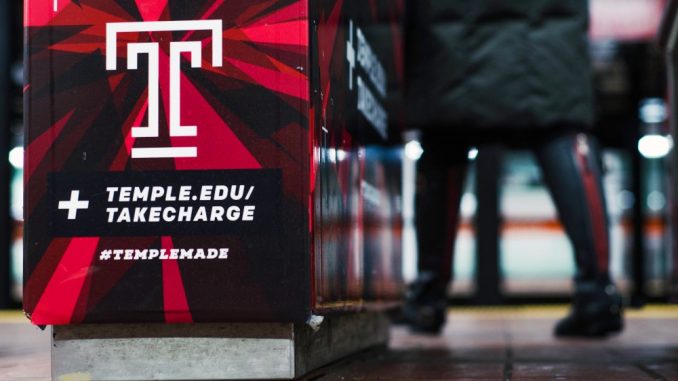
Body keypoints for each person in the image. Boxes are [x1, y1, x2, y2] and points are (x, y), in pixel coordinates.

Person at [402, 0, 624, 337]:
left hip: (451, 26)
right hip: (547, 28)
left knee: (443, 141)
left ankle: (428, 298)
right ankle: (597, 293)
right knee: (562, 132)